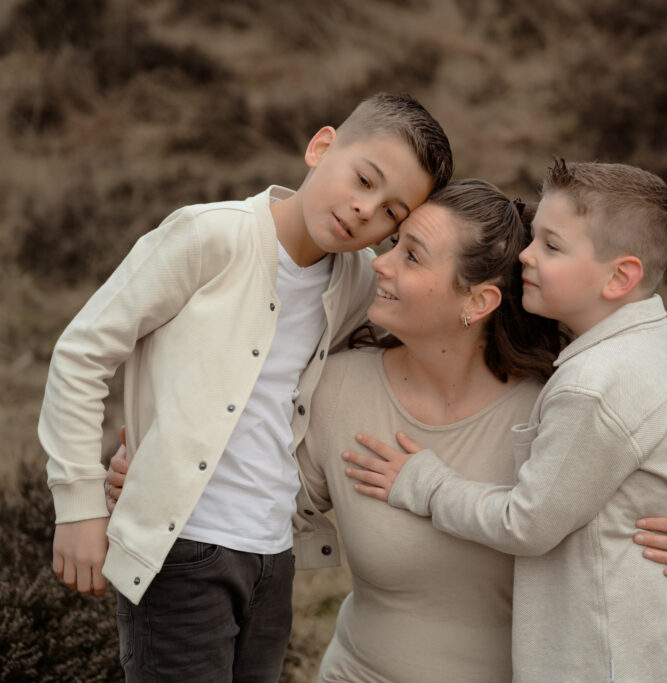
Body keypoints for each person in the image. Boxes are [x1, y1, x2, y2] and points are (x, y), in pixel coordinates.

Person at [37, 92, 452, 681]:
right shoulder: (209, 237)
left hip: (273, 556)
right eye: (364, 179)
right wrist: (77, 504)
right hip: (180, 549)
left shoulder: (357, 283)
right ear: (321, 146)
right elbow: (83, 353)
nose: (366, 211)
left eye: (391, 212)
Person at [345, 159, 667, 681]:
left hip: (608, 657)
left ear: (620, 276)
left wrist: (425, 484)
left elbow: (526, 524)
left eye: (551, 245)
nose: (524, 255)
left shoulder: (594, 385)